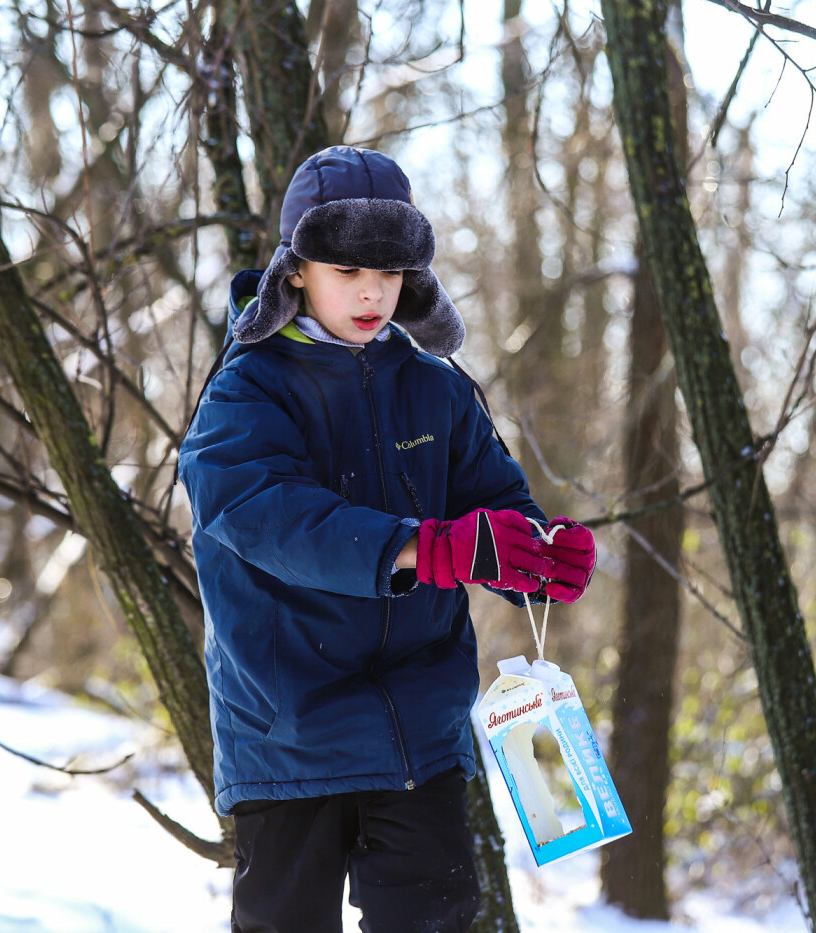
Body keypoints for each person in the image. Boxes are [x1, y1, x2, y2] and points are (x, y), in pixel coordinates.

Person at [177, 145, 596, 933]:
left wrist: (538, 555)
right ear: (296, 269)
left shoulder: (436, 387)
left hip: (421, 734)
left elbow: (495, 508)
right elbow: (270, 517)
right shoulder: (246, 391)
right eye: (347, 271)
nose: (373, 292)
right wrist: (426, 547)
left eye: (392, 272)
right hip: (287, 735)